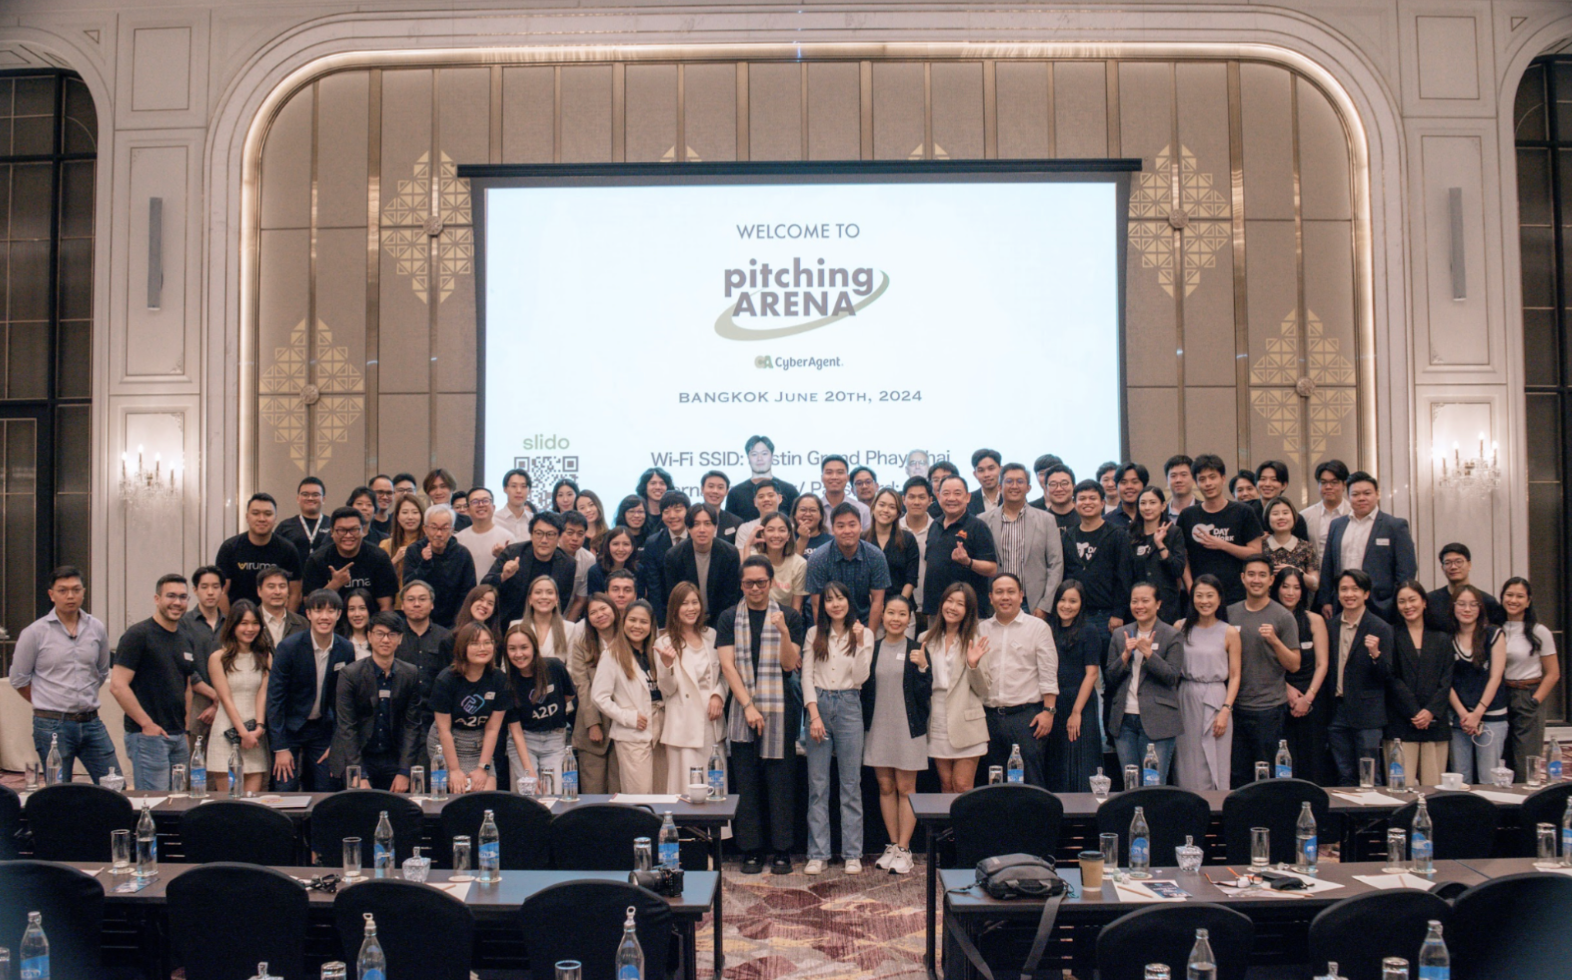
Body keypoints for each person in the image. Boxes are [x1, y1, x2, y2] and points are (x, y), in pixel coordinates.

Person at [718, 555, 806, 874]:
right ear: (741, 585)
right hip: (742, 710)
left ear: (771, 583)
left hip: (780, 710)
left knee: (781, 784)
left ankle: (782, 850)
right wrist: (748, 706)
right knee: (747, 783)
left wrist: (783, 632)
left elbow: (789, 665)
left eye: (761, 582)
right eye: (748, 583)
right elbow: (727, 666)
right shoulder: (729, 617)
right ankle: (751, 850)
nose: (755, 588)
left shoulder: (789, 616)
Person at [8, 565, 116, 783]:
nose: (70, 596)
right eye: (63, 590)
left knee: (114, 783)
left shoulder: (96, 628)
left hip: (91, 721)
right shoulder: (34, 633)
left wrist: (81, 696)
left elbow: (102, 671)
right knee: (58, 791)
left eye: (76, 590)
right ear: (51, 595)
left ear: (83, 592)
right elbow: (19, 679)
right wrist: (47, 700)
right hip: (52, 725)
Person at [111, 574, 213, 790]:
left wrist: (185, 730)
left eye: (183, 597)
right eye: (171, 596)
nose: (177, 602)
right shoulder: (138, 635)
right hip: (148, 737)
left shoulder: (185, 637)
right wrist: (147, 725)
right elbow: (118, 686)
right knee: (154, 801)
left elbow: (186, 686)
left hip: (178, 736)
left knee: (178, 801)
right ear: (157, 599)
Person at [801, 581, 875, 875]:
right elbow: (807, 676)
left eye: (840, 598)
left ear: (849, 601)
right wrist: (814, 715)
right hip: (819, 705)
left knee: (850, 785)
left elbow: (861, 677)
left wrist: (859, 643)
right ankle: (818, 853)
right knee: (818, 786)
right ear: (824, 606)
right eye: (830, 600)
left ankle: (852, 853)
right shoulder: (813, 633)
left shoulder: (864, 633)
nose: (835, 604)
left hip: (849, 705)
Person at [861, 595, 929, 875]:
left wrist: (923, 668)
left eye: (902, 614)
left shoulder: (917, 649)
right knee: (886, 786)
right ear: (883, 615)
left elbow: (925, 695)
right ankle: (891, 845)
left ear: (909, 618)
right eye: (891, 613)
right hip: (878, 727)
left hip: (908, 728)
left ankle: (904, 848)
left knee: (906, 787)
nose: (896, 619)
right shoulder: (872, 649)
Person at [267, 589, 355, 791]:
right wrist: (280, 747)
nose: (324, 617)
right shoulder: (289, 647)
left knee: (327, 787)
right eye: (318, 611)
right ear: (308, 614)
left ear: (339, 614)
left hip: (323, 728)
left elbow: (344, 701)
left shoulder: (345, 649)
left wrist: (337, 742)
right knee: (285, 788)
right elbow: (274, 699)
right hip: (289, 727)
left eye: (330, 611)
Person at [977, 573, 1058, 787]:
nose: (1005, 597)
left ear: (1021, 596)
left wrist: (1049, 712)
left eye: (1011, 592)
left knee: (1029, 783)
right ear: (990, 597)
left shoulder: (1038, 627)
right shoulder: (980, 630)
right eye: (999, 592)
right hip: (988, 718)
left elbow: (1048, 672)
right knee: (992, 784)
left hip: (1026, 718)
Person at [1227, 555, 1301, 785]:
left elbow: (1294, 664)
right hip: (1234, 707)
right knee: (1236, 775)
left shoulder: (1283, 616)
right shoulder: (1229, 613)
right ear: (1242, 578)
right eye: (1251, 574)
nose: (1256, 580)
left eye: (1262, 575)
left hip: (1269, 709)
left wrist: (1275, 642)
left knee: (1266, 774)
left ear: (1271, 580)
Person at [1106, 581, 1185, 784]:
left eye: (1145, 601)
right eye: (1135, 601)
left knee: (1153, 784)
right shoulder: (1120, 634)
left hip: (1158, 720)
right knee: (1130, 784)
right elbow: (1110, 677)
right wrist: (1125, 656)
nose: (1139, 606)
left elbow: (1172, 677)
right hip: (1124, 720)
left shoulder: (1172, 634)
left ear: (1158, 604)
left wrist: (1149, 654)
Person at [333, 611, 422, 791]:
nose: (386, 640)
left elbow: (412, 725)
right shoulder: (350, 674)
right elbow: (347, 726)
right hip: (358, 755)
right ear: (369, 636)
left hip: (393, 755)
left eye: (392, 634)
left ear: (400, 638)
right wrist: (359, 774)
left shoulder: (410, 674)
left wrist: (405, 771)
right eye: (380, 634)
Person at [1316, 472, 1417, 623]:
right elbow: (1328, 566)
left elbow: (1406, 569)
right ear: (1348, 496)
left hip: (1381, 606)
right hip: (1341, 604)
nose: (1361, 498)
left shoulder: (1394, 526)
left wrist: (1395, 601)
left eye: (1367, 493)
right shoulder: (1337, 525)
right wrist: (1326, 600)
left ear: (1377, 494)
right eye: (1355, 494)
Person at [1325, 569, 1396, 786]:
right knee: (1344, 774)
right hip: (1337, 711)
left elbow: (1388, 675)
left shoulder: (1380, 627)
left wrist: (1375, 655)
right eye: (1344, 589)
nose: (1349, 594)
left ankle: (1372, 809)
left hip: (1368, 714)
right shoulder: (1330, 626)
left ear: (1366, 594)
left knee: (1369, 775)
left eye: (1355, 589)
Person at [655, 582, 724, 793]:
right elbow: (667, 690)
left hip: (711, 719)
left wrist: (718, 695)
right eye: (684, 603)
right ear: (675, 608)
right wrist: (667, 665)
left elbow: (726, 673)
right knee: (685, 790)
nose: (691, 608)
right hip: (683, 725)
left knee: (714, 787)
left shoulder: (712, 635)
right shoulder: (665, 641)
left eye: (695, 602)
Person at [922, 582, 991, 792]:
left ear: (968, 610)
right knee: (946, 784)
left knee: (962, 785)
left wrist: (973, 665)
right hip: (936, 719)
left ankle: (966, 818)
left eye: (960, 604)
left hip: (966, 721)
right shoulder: (925, 639)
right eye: (949, 601)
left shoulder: (976, 641)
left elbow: (984, 690)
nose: (952, 607)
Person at [593, 599, 666, 794]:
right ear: (623, 622)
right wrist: (628, 717)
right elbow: (599, 697)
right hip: (634, 730)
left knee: (662, 792)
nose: (637, 626)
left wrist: (668, 665)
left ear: (651, 625)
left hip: (661, 729)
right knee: (639, 793)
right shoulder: (612, 654)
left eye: (643, 622)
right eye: (632, 620)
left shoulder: (656, 652)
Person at [1385, 581, 1454, 788]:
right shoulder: (1390, 634)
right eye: (1402, 601)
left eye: (1412, 600)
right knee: (1399, 789)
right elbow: (1391, 678)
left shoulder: (1442, 638)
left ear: (1424, 602)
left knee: (1433, 789)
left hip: (1435, 724)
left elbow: (1446, 680)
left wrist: (1430, 712)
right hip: (1400, 722)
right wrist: (1414, 711)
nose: (1408, 606)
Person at [1173, 576, 1239, 791]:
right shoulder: (1180, 627)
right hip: (1186, 696)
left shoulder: (1229, 631)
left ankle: (1217, 808)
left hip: (1217, 697)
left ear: (1219, 599)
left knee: (1218, 759)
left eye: (1210, 596)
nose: (1204, 601)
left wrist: (1226, 709)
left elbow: (1235, 675)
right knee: (1188, 761)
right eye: (1199, 596)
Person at [428, 622, 508, 793]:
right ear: (462, 648)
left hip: (479, 744)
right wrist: (454, 770)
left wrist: (483, 768)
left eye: (487, 642)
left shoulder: (499, 679)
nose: (482, 648)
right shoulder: (446, 679)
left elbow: (493, 729)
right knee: (460, 793)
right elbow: (443, 730)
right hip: (447, 742)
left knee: (488, 793)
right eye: (475, 643)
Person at [980, 463, 1065, 621]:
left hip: (1033, 604)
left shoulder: (1046, 520)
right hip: (995, 604)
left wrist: (1045, 605)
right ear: (1000, 487)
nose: (1014, 486)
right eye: (1009, 481)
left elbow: (1056, 565)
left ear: (1029, 488)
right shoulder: (983, 520)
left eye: (1020, 481)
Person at [1179, 454, 1266, 606]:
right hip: (1201, 598)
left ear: (1223, 479)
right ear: (1196, 483)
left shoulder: (1243, 512)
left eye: (1212, 477)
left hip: (1237, 596)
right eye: (1202, 479)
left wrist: (1223, 545)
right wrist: (1190, 587)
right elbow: (1182, 556)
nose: (1208, 483)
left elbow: (1256, 552)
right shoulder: (1187, 515)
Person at [205, 600, 272, 794]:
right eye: (244, 623)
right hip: (226, 733)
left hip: (255, 735)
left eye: (255, 623)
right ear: (233, 626)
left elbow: (262, 693)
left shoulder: (265, 656)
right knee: (228, 801)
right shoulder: (218, 658)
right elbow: (225, 699)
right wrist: (243, 733)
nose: (250, 629)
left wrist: (259, 727)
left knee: (252, 801)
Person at [1043, 581, 1104, 792]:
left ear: (1081, 604)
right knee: (1057, 763)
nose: (1066, 606)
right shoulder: (1047, 629)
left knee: (1082, 762)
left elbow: (1092, 674)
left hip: (1081, 701)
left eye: (1073, 601)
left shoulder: (1089, 630)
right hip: (1054, 701)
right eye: (1062, 600)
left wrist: (1076, 712)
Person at [1274, 568, 1332, 785]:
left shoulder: (1314, 620)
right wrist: (1285, 688)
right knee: (1283, 763)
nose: (1290, 592)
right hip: (1278, 695)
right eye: (1285, 586)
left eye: (1296, 588)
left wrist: (1308, 698)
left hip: (1312, 697)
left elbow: (1322, 664)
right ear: (1276, 588)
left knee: (1313, 761)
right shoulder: (1269, 618)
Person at [1499, 576, 1560, 779]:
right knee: (1503, 757)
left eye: (1519, 596)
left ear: (1528, 601)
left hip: (1527, 694)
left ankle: (1527, 796)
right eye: (1509, 595)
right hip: (1501, 695)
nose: (1513, 600)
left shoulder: (1539, 632)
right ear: (1502, 597)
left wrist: (1535, 700)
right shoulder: (1495, 629)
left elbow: (1553, 673)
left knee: (1525, 758)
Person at [1447, 585, 1508, 783]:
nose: (1467, 609)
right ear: (1453, 607)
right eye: (1461, 604)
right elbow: (1444, 681)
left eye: (1473, 605)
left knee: (1489, 779)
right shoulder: (1446, 638)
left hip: (1491, 716)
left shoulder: (1494, 634)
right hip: (1459, 719)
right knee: (1460, 779)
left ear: (1480, 608)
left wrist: (1477, 714)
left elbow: (1496, 677)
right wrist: (1464, 714)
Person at [502, 622, 575, 784]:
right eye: (512, 649)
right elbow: (516, 731)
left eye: (524, 647)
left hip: (554, 738)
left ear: (534, 647)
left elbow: (568, 695)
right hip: (524, 740)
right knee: (530, 789)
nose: (519, 654)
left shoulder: (555, 667)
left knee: (552, 791)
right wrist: (529, 771)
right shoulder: (506, 683)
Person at [1062, 480, 1134, 634]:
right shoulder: (1068, 536)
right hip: (1074, 613)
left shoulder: (1117, 534)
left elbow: (1124, 576)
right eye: (1082, 498)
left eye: (1092, 498)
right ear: (1074, 503)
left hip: (1106, 615)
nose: (1087, 502)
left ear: (1102, 503)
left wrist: (1118, 613)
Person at [924, 475, 1000, 620]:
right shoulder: (935, 525)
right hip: (936, 610)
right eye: (946, 493)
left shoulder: (978, 526)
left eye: (957, 493)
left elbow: (992, 569)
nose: (951, 498)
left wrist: (968, 562)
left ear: (967, 497)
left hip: (968, 612)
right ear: (938, 497)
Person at [568, 594, 622, 794]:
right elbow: (582, 685)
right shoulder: (582, 643)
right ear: (588, 619)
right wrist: (593, 724)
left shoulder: (627, 638)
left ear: (613, 610)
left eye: (603, 609)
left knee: (618, 790)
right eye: (593, 612)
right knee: (593, 790)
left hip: (623, 722)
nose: (600, 615)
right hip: (592, 723)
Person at [805, 502, 891, 626]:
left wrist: (869, 635)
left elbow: (877, 602)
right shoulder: (818, 559)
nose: (847, 531)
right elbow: (817, 605)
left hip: (864, 621)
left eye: (852, 525)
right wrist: (825, 636)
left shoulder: (875, 556)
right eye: (840, 526)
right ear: (832, 529)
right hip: (829, 623)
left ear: (860, 526)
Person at [485, 511, 577, 626]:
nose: (544, 540)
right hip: (506, 623)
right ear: (531, 535)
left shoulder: (567, 564)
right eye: (539, 533)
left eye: (550, 534)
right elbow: (485, 586)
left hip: (544, 624)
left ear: (559, 537)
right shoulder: (512, 553)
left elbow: (561, 603)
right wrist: (503, 576)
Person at [215, 492, 301, 610]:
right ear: (247, 517)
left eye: (268, 514)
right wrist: (230, 621)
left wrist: (288, 621)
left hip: (275, 617)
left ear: (275, 518)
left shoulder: (288, 550)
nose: (262, 519)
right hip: (239, 617)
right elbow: (221, 592)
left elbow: (295, 593)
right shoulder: (229, 548)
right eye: (255, 513)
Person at [660, 503, 743, 625]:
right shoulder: (674, 556)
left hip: (721, 619)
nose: (702, 530)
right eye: (696, 524)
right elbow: (675, 597)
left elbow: (730, 597)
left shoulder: (730, 553)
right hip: (685, 619)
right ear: (688, 528)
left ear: (715, 527)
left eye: (707, 523)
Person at [392, 580, 451, 750]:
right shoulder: (392, 636)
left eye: (422, 599)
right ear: (402, 605)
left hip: (435, 719)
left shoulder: (446, 637)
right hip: (398, 718)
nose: (416, 604)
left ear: (432, 604)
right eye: (411, 599)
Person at [303, 507, 400, 609]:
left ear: (363, 530)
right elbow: (311, 607)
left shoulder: (379, 558)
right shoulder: (317, 560)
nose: (348, 535)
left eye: (354, 529)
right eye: (341, 530)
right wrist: (334, 585)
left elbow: (386, 606)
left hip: (371, 618)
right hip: (330, 618)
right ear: (332, 532)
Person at [399, 504, 477, 629]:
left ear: (452, 530)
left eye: (445, 528)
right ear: (425, 529)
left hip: (453, 622)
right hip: (420, 621)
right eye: (434, 527)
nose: (439, 533)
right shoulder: (414, 550)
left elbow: (468, 593)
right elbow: (408, 587)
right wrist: (424, 564)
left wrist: (458, 624)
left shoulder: (462, 554)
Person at [180, 565, 226, 752]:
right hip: (195, 698)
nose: (210, 592)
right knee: (193, 755)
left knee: (223, 756)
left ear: (222, 590)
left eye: (215, 587)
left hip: (227, 699)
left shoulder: (230, 624)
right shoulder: (184, 623)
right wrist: (215, 696)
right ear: (195, 590)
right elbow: (185, 667)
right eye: (204, 587)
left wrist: (219, 702)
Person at [1130, 487, 1187, 624]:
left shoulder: (1173, 532)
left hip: (1166, 605)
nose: (1147, 507)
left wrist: (1160, 544)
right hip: (1137, 606)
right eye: (1143, 503)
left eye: (1152, 502)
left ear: (1163, 506)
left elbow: (1178, 570)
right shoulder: (1130, 535)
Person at [1424, 543, 1506, 632]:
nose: (1453, 567)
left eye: (1458, 562)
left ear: (1469, 565)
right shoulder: (1430, 600)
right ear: (1442, 568)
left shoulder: (1487, 601)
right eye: (1447, 563)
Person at [865, 488, 920, 606]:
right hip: (868, 607)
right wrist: (875, 605)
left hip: (901, 607)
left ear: (898, 514)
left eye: (892, 507)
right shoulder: (862, 539)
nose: (886, 510)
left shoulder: (908, 539)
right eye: (882, 505)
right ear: (873, 507)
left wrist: (897, 606)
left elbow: (911, 579)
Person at [455, 487, 517, 587]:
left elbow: (515, 574)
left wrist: (503, 557)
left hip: (497, 593)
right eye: (475, 502)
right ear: (468, 509)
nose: (481, 505)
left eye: (485, 501)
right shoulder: (458, 539)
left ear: (494, 507)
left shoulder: (507, 537)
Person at [636, 493, 690, 607]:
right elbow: (654, 587)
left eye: (678, 510)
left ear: (688, 512)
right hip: (666, 607)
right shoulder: (653, 543)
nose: (672, 516)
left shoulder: (697, 538)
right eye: (666, 512)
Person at [521, 574, 582, 663]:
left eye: (549, 592)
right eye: (538, 592)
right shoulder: (516, 626)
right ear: (530, 599)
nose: (544, 597)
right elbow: (506, 666)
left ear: (556, 599)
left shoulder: (570, 628)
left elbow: (572, 667)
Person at [1262, 497, 1319, 592]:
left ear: (1293, 516)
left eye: (1285, 513)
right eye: (1275, 514)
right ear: (1267, 518)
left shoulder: (1306, 547)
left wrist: (1297, 572)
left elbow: (1315, 584)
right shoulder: (1261, 547)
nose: (1281, 517)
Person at [1300, 459, 1353, 559]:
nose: (1328, 487)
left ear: (1344, 485)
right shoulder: (1305, 516)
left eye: (1334, 482)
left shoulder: (1354, 513)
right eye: (1323, 482)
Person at [754, 512, 807, 611]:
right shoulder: (753, 559)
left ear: (788, 535)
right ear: (762, 534)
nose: (776, 535)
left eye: (782, 530)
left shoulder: (799, 564)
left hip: (785, 616)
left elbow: (796, 608)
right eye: (770, 530)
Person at [275, 476, 330, 566]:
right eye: (305, 494)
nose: (310, 498)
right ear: (298, 498)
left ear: (323, 499)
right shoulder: (285, 526)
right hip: (293, 574)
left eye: (315, 495)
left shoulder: (333, 525)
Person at [1250, 460, 1310, 540]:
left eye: (1274, 479)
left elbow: (1302, 545)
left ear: (1284, 485)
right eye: (1263, 479)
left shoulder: (1295, 518)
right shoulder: (1246, 512)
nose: (1267, 484)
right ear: (1256, 483)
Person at [899, 477, 933, 605]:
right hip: (899, 605)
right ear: (904, 500)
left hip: (931, 604)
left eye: (922, 497)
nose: (916, 502)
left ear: (930, 500)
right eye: (912, 497)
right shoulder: (895, 530)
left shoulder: (938, 530)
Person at [256, 565, 307, 647]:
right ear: (259, 591)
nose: (277, 592)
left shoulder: (302, 623)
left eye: (282, 586)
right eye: (271, 587)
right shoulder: (250, 620)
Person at [381, 491, 426, 579]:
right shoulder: (386, 545)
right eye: (405, 512)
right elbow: (378, 577)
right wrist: (395, 560)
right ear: (397, 517)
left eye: (415, 512)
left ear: (422, 516)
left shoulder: (429, 544)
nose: (410, 517)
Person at [819, 455, 872, 529]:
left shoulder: (862, 510)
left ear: (847, 478)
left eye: (840, 472)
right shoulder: (815, 509)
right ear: (822, 478)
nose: (834, 477)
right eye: (829, 472)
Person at [560, 510, 596, 614]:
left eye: (580, 534)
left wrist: (567, 623)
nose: (575, 538)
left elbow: (580, 600)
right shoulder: (548, 552)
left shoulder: (588, 559)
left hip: (568, 615)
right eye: (570, 533)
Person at [734, 481, 783, 555]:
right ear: (755, 502)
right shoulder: (745, 529)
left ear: (779, 498)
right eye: (761, 497)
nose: (766, 499)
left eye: (770, 495)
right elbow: (741, 560)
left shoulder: (790, 526)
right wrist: (748, 544)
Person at [588, 526, 638, 595]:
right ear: (608, 546)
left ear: (632, 548)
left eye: (626, 544)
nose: (620, 549)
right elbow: (595, 600)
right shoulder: (595, 572)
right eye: (615, 544)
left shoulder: (638, 570)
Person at [699, 471, 744, 545]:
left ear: (726, 491)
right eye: (711, 486)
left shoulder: (736, 522)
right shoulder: (690, 517)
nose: (715, 491)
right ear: (702, 489)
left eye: (720, 487)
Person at [495, 468, 536, 539]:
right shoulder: (494, 520)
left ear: (529, 491)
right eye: (514, 486)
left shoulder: (535, 521)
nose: (519, 491)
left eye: (523, 486)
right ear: (505, 489)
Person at [1104, 462, 1147, 529]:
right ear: (1116, 486)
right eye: (1123, 482)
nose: (1129, 486)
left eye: (1134, 482)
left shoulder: (1155, 517)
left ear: (1144, 486)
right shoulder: (1106, 522)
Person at [792, 493, 831, 557]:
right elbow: (792, 562)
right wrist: (802, 539)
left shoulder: (831, 542)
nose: (808, 514)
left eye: (813, 510)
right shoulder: (786, 539)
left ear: (821, 515)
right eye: (803, 510)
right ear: (794, 514)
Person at [339, 589, 375, 659]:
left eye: (362, 608)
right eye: (352, 609)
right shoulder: (338, 640)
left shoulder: (379, 639)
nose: (357, 614)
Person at [1041, 465, 1078, 532]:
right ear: (1046, 489)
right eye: (1053, 484)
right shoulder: (1039, 521)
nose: (1059, 489)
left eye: (1064, 483)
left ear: (1074, 487)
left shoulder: (1086, 518)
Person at [966, 449, 1004, 515]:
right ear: (975, 474)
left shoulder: (1011, 498)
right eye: (981, 470)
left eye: (991, 468)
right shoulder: (968, 501)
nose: (986, 474)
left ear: (1001, 470)